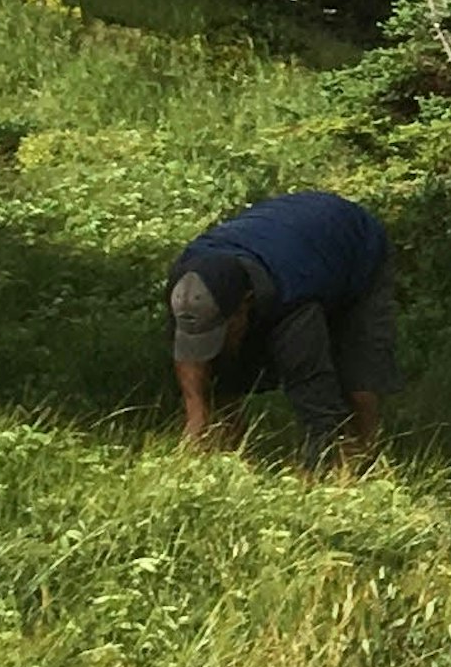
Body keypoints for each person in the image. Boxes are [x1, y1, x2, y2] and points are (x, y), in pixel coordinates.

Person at [167, 187, 395, 473]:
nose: (216, 344)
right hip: (284, 240)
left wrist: (315, 479)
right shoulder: (187, 286)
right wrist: (197, 415)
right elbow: (192, 361)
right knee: (220, 375)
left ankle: (359, 468)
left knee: (357, 387)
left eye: (222, 332)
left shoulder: (293, 305)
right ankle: (226, 456)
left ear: (244, 306)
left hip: (352, 245)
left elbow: (320, 409)